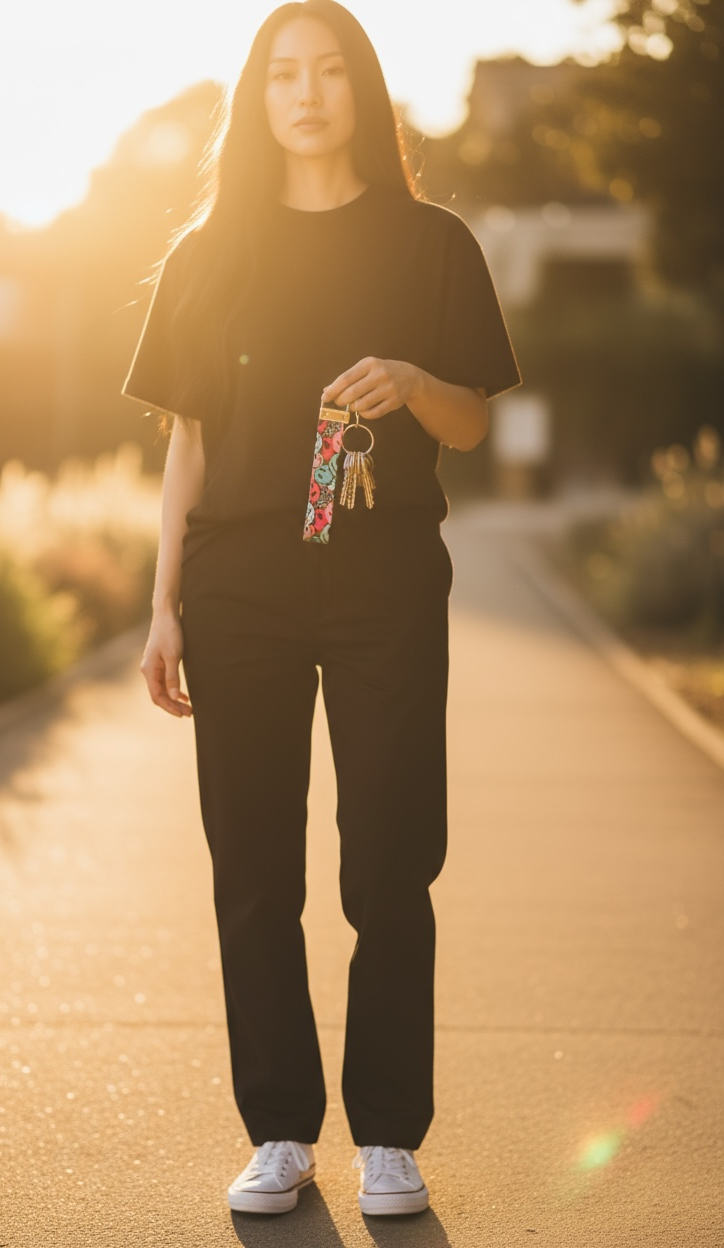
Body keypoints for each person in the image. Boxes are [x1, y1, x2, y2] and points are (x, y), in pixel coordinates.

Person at [123, 0, 520, 1218]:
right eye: (283, 73)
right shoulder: (204, 252)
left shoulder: (431, 242)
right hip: (239, 585)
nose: (305, 92)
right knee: (252, 866)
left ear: (362, 87)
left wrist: (413, 380)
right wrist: (162, 607)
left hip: (386, 579)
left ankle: (389, 1133)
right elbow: (187, 443)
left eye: (328, 69)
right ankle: (283, 1132)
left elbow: (474, 420)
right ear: (259, 98)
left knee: (390, 858)